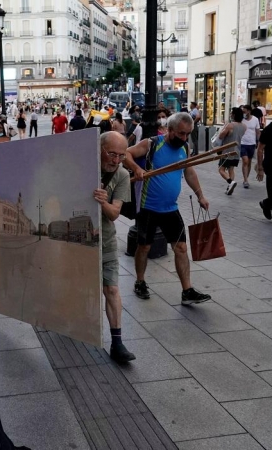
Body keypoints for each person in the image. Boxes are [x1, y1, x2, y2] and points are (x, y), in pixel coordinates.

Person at [125, 113, 212, 305]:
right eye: (181, 133)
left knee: (181, 247)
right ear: (169, 130)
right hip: (148, 207)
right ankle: (140, 281)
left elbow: (189, 171)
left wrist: (200, 195)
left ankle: (187, 291)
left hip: (171, 209)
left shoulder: (185, 148)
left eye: (187, 134)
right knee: (144, 246)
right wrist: (137, 169)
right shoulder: (152, 144)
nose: (184, 138)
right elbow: (126, 154)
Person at [94, 132, 135, 364]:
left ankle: (117, 343)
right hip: (75, 239)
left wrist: (103, 201)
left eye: (121, 155)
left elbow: (114, 213)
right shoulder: (83, 166)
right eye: (112, 154)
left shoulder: (121, 175)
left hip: (106, 240)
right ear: (100, 149)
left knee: (111, 289)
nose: (116, 160)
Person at [216, 107, 246, 195]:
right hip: (237, 151)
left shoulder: (230, 125)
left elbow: (221, 136)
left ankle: (230, 182)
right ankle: (230, 188)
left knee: (221, 169)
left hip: (227, 150)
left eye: (231, 113)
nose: (230, 115)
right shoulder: (244, 126)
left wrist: (223, 128)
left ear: (234, 115)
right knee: (231, 169)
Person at [240, 104, 262, 188]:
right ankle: (245, 180)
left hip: (252, 143)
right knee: (245, 161)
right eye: (242, 112)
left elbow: (258, 131)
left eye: (244, 112)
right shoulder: (241, 120)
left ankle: (246, 178)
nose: (243, 113)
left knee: (248, 162)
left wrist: (259, 142)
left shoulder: (255, 119)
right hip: (242, 143)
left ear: (249, 111)